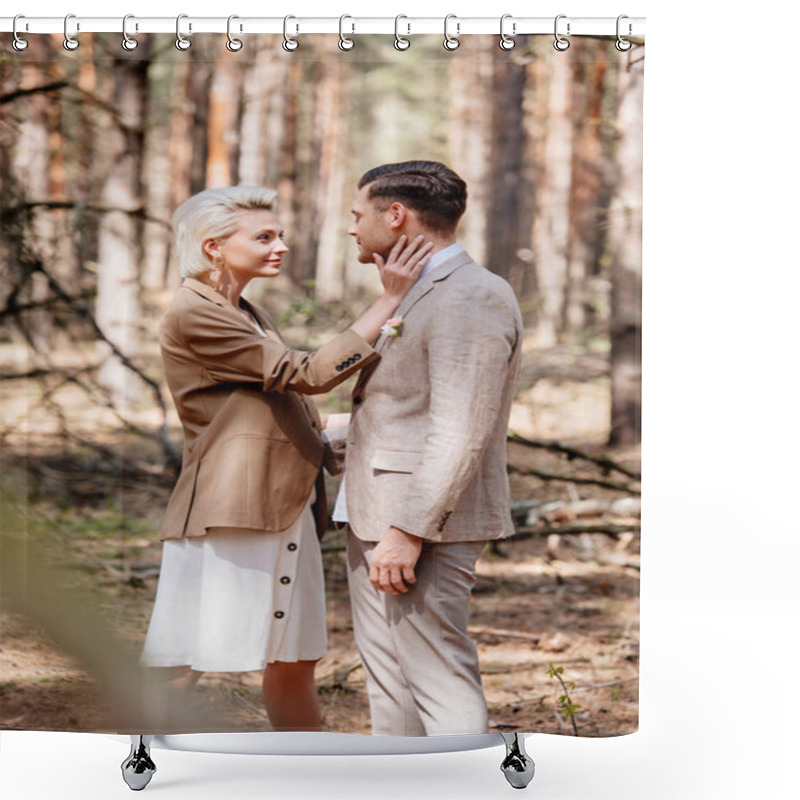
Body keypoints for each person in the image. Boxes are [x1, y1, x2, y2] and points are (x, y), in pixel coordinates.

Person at [140, 186, 432, 732]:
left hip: (284, 503)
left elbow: (268, 407)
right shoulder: (195, 312)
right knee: (189, 657)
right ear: (213, 248)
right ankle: (138, 771)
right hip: (233, 508)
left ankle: (310, 777)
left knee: (295, 659)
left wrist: (341, 438)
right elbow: (307, 374)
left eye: (280, 235)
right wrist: (389, 299)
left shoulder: (245, 310)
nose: (281, 246)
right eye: (264, 237)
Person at [334, 161, 523, 736]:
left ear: (397, 215)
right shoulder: (417, 290)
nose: (352, 228)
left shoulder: (470, 295)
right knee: (391, 680)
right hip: (377, 512)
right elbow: (406, 407)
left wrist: (408, 530)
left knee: (437, 676)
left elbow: (462, 425)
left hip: (421, 524)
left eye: (358, 214)